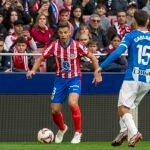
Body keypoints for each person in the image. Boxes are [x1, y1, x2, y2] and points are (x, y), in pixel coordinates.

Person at [27, 22, 101, 144]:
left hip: (74, 78)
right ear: (58, 33)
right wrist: (33, 70)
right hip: (60, 80)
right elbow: (40, 58)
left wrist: (97, 73)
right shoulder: (54, 46)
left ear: (70, 33)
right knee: (54, 110)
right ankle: (62, 128)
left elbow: (93, 57)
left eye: (65, 32)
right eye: (61, 32)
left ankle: (78, 132)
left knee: (72, 103)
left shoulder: (77, 45)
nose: (63, 35)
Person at [99, 10, 150, 147]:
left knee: (122, 108)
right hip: (147, 80)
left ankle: (134, 132)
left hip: (132, 77)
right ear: (147, 22)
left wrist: (101, 66)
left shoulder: (130, 36)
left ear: (134, 21)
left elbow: (117, 52)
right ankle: (123, 131)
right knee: (124, 108)